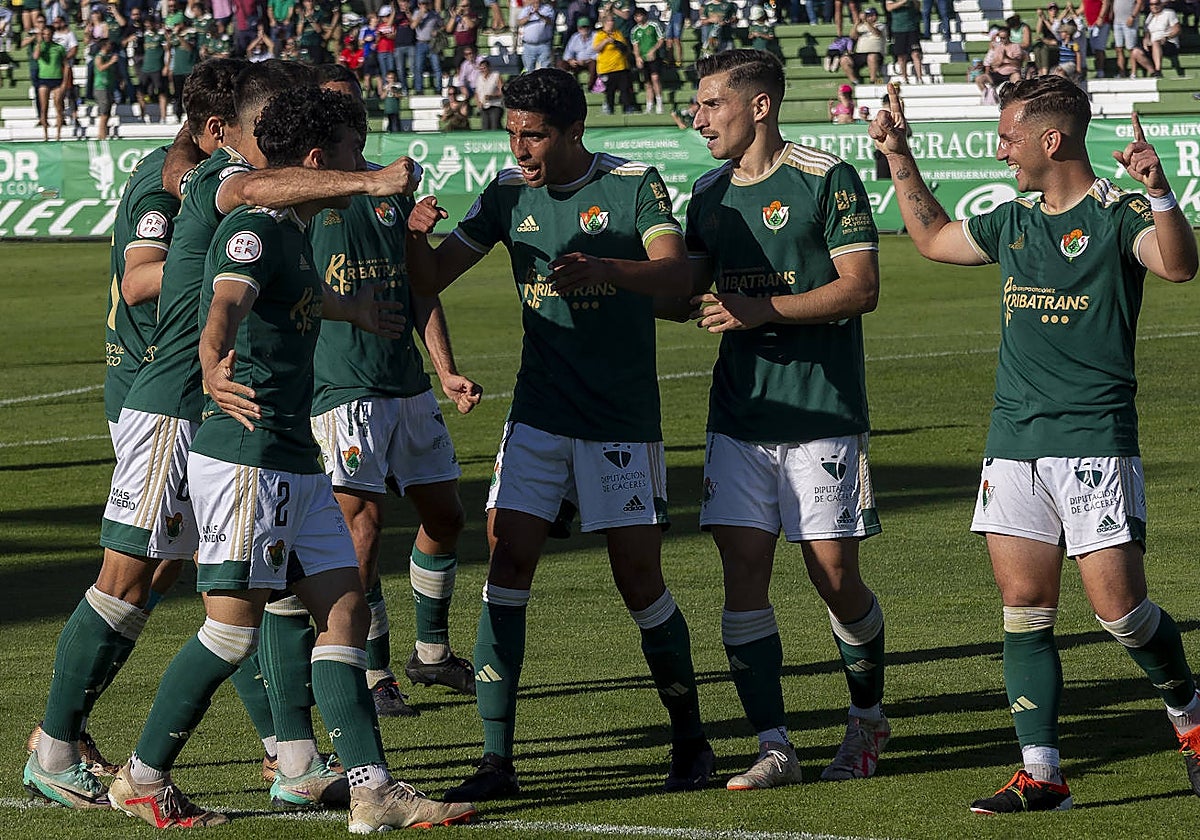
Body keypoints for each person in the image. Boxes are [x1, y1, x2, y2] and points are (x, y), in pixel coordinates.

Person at [104, 85, 476, 832]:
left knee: (342, 611)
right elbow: (230, 296)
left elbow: (291, 296)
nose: (359, 162)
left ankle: (373, 791)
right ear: (318, 160)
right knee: (231, 632)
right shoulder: (256, 225)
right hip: (246, 457)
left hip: (292, 456)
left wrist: (356, 311)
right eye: (349, 152)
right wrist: (211, 359)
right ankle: (141, 776)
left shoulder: (297, 228)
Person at [869, 73, 1200, 813]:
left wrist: (1160, 189)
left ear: (1051, 139)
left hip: (1093, 441)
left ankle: (1188, 709)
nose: (1000, 149)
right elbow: (929, 238)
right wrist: (898, 154)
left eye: (1009, 135)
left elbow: (1177, 265)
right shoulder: (1011, 219)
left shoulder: (1117, 216)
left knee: (1121, 613)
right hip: (1012, 440)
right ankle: (1043, 774)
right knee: (1024, 607)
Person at [404, 66, 713, 802]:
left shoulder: (635, 183)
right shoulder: (508, 194)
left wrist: (605, 267)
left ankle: (691, 741)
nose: (520, 148)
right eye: (512, 132)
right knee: (505, 567)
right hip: (539, 416)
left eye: (534, 134)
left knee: (640, 581)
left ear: (575, 130)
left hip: (620, 420)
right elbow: (432, 278)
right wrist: (418, 237)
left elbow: (676, 277)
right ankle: (496, 762)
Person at [21, 59, 252, 812]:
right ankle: (57, 742)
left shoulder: (188, 172)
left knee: (169, 573)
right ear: (218, 129)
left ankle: (71, 732)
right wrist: (223, 267)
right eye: (255, 126)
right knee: (131, 575)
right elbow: (139, 277)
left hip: (185, 393)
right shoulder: (166, 186)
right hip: (156, 394)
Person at [684, 48, 888, 792]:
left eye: (711, 103)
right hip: (739, 415)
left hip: (822, 410)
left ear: (759, 105)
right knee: (743, 575)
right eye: (697, 105)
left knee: (834, 576)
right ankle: (775, 746)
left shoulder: (823, 177)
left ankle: (866, 720)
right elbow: (687, 288)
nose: (698, 118)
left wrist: (760, 309)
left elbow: (860, 288)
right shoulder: (706, 193)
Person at [306, 65, 482, 722]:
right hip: (340, 385)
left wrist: (445, 369)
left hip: (404, 383)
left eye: (356, 106)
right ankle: (371, 672)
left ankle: (430, 653)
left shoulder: (389, 195)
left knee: (446, 517)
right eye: (338, 108)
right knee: (363, 527)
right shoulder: (300, 199)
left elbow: (420, 288)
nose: (353, 118)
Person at [593, 13, 635, 114]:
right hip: (607, 68)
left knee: (624, 89)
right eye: (609, 21)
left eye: (612, 21)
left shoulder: (617, 33)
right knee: (610, 91)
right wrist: (606, 41)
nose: (611, 23)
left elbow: (625, 48)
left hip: (620, 66)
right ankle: (610, 108)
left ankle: (627, 107)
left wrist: (616, 42)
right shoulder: (600, 35)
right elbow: (596, 49)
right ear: (604, 23)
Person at [33, 24, 66, 140]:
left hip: (57, 78)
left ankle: (58, 135)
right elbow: (36, 56)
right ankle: (45, 135)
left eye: (48, 34)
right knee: (44, 107)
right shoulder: (41, 47)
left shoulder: (59, 48)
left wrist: (64, 82)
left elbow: (66, 65)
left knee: (58, 106)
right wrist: (38, 42)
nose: (46, 36)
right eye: (44, 34)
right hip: (44, 78)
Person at [977, 25, 1026, 102]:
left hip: (1011, 72)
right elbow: (993, 64)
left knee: (1017, 78)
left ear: (1009, 36)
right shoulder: (998, 47)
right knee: (979, 79)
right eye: (1000, 38)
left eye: (1004, 38)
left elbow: (1017, 63)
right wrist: (1000, 62)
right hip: (999, 72)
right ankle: (988, 96)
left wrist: (1006, 58)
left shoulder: (1016, 46)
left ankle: (1015, 100)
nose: (1002, 40)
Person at [1130, 0, 1177, 77]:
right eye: (1151, 4)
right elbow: (1146, 34)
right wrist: (1146, 40)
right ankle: (1153, 72)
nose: (1154, 6)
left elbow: (1177, 29)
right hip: (1153, 44)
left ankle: (1158, 70)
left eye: (1156, 4)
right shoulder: (1149, 17)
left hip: (1168, 43)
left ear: (1161, 4)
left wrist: (1167, 37)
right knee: (1135, 51)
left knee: (1156, 42)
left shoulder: (1169, 13)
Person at [841, 5, 886, 84]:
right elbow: (852, 36)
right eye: (868, 16)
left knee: (871, 57)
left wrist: (866, 22)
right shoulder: (861, 27)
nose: (869, 17)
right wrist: (857, 22)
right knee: (844, 60)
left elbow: (877, 33)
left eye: (871, 15)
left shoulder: (880, 25)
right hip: (860, 54)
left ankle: (873, 80)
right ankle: (854, 81)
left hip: (875, 54)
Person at [630, 6, 663, 114]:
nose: (639, 18)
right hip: (643, 59)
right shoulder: (635, 30)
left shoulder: (653, 25)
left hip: (653, 58)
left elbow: (660, 40)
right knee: (647, 83)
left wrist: (653, 50)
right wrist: (637, 58)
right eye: (637, 16)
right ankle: (649, 106)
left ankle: (659, 103)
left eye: (640, 15)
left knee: (655, 78)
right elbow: (635, 46)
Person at [558, 16, 598, 91]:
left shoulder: (596, 36)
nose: (584, 29)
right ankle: (566, 85)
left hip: (591, 61)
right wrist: (570, 60)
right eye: (581, 27)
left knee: (593, 63)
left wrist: (588, 60)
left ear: (590, 27)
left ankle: (590, 87)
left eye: (586, 27)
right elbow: (567, 53)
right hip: (577, 61)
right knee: (561, 64)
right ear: (578, 28)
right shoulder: (575, 37)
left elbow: (600, 52)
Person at [887, 0, 923, 83]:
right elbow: (889, 7)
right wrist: (903, 2)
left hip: (912, 28)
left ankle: (920, 78)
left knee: (916, 54)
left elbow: (918, 6)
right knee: (901, 56)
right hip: (898, 29)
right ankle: (904, 78)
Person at [412, 0, 441, 93]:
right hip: (420, 43)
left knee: (436, 66)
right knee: (418, 67)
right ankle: (419, 90)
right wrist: (421, 15)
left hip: (432, 43)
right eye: (422, 4)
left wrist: (437, 31)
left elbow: (442, 25)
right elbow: (413, 26)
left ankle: (438, 88)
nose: (424, 5)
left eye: (426, 3)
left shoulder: (434, 14)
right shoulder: (416, 13)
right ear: (418, 5)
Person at [92, 37, 119, 138]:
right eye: (108, 44)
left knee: (107, 112)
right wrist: (111, 62)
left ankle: (104, 133)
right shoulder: (99, 57)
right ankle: (102, 135)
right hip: (101, 87)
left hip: (108, 86)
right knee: (104, 113)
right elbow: (100, 68)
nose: (111, 46)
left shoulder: (107, 57)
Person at [518, 0, 554, 73]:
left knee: (545, 70)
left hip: (544, 44)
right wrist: (529, 16)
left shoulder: (547, 9)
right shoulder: (526, 9)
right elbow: (519, 22)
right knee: (529, 70)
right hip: (528, 46)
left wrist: (539, 15)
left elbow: (550, 21)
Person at [1081, 0, 1111, 77]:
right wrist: (1072, 13)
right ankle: (1100, 70)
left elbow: (1106, 2)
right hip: (1090, 24)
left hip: (1101, 24)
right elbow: (1083, 7)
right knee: (1095, 49)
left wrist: (1101, 17)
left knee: (1099, 48)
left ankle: (1100, 72)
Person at [475, 56, 503, 128]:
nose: (483, 70)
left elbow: (502, 91)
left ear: (489, 67)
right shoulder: (479, 78)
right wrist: (478, 103)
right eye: (481, 69)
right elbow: (477, 92)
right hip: (483, 106)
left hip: (495, 105)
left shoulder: (496, 75)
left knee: (494, 126)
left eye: (484, 68)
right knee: (485, 127)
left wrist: (492, 96)